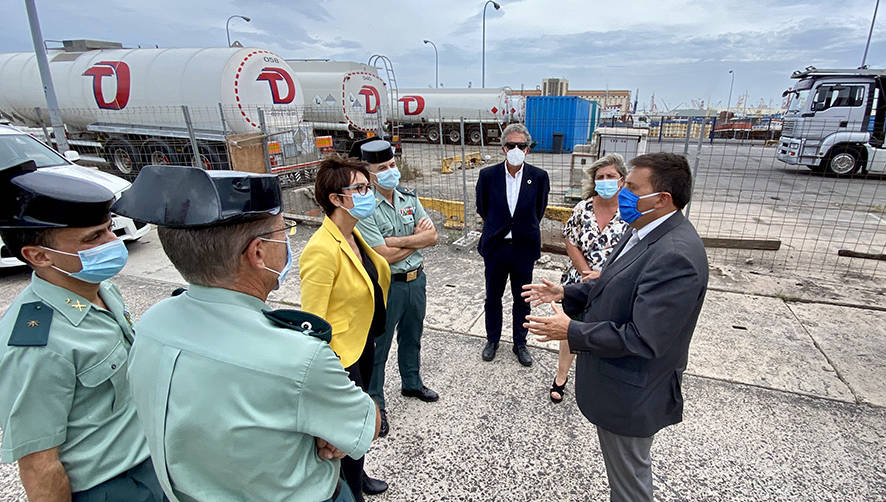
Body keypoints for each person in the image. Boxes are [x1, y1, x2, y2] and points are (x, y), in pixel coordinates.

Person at [113, 165, 379, 502]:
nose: (288, 243)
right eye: (285, 231)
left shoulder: (152, 323)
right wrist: (328, 425)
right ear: (257, 252)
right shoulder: (298, 355)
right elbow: (363, 426)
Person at [523, 153, 709, 501]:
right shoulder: (641, 229)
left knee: (630, 487)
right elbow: (612, 284)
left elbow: (644, 338)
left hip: (633, 394)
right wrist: (566, 291)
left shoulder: (676, 255)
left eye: (632, 187)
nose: (622, 192)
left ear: (662, 199)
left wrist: (571, 331)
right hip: (617, 385)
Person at [0, 160, 166, 501]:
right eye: (94, 238)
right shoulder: (37, 343)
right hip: (110, 486)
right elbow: (39, 465)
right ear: (39, 256)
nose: (112, 241)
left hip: (150, 463)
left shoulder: (100, 289)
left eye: (108, 229)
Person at [300, 155, 392, 500]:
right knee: (348, 426)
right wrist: (326, 368)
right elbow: (312, 321)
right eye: (360, 188)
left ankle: (359, 473)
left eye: (368, 187)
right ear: (336, 199)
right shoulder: (322, 250)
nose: (368, 193)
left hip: (363, 343)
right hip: (340, 356)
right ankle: (350, 489)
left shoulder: (352, 235)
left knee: (359, 420)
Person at [354, 140, 439, 438]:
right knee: (380, 345)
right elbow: (382, 255)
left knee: (412, 336)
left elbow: (433, 237)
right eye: (382, 168)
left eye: (392, 165)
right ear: (370, 174)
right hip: (387, 285)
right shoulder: (366, 209)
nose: (391, 171)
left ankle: (411, 382)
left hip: (417, 281)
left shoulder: (408, 198)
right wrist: (413, 240)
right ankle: (376, 401)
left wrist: (396, 242)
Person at [550, 153, 628, 403]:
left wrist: (604, 276)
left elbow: (638, 251)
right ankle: (561, 376)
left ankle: (601, 380)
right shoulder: (583, 208)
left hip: (616, 284)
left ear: (622, 180)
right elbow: (570, 241)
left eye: (610, 176)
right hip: (578, 283)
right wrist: (586, 272)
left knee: (605, 333)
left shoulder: (632, 212)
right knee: (570, 330)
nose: (605, 181)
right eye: (600, 177)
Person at [475, 123, 550, 366]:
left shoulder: (539, 177)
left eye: (521, 145)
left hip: (523, 249)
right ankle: (492, 340)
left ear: (528, 149)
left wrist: (519, 228)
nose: (516, 149)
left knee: (522, 299)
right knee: (493, 297)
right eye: (511, 145)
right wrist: (500, 228)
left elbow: (538, 211)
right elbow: (482, 208)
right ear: (503, 148)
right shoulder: (488, 176)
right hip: (496, 248)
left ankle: (520, 343)